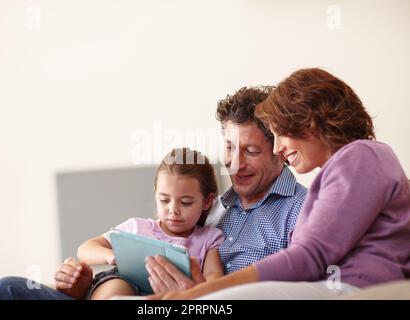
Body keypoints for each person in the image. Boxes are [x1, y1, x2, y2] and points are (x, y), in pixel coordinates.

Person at [152, 68, 410, 300]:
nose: (278, 148)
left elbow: (309, 257)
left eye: (279, 135)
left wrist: (204, 291)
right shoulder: (347, 166)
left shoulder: (361, 156)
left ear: (307, 123)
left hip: (349, 289)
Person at [0, 148, 225, 300]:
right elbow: (85, 249)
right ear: (155, 194)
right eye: (164, 200)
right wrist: (112, 256)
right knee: (3, 289)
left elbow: (215, 281)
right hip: (107, 288)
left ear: (207, 202)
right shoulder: (137, 227)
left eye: (185, 202)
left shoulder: (208, 239)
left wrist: (192, 289)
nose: (173, 210)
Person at [144, 87, 307, 293]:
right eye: (230, 148)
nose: (235, 164)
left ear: (280, 151)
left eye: (251, 151)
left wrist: (203, 299)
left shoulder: (304, 210)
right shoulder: (207, 207)